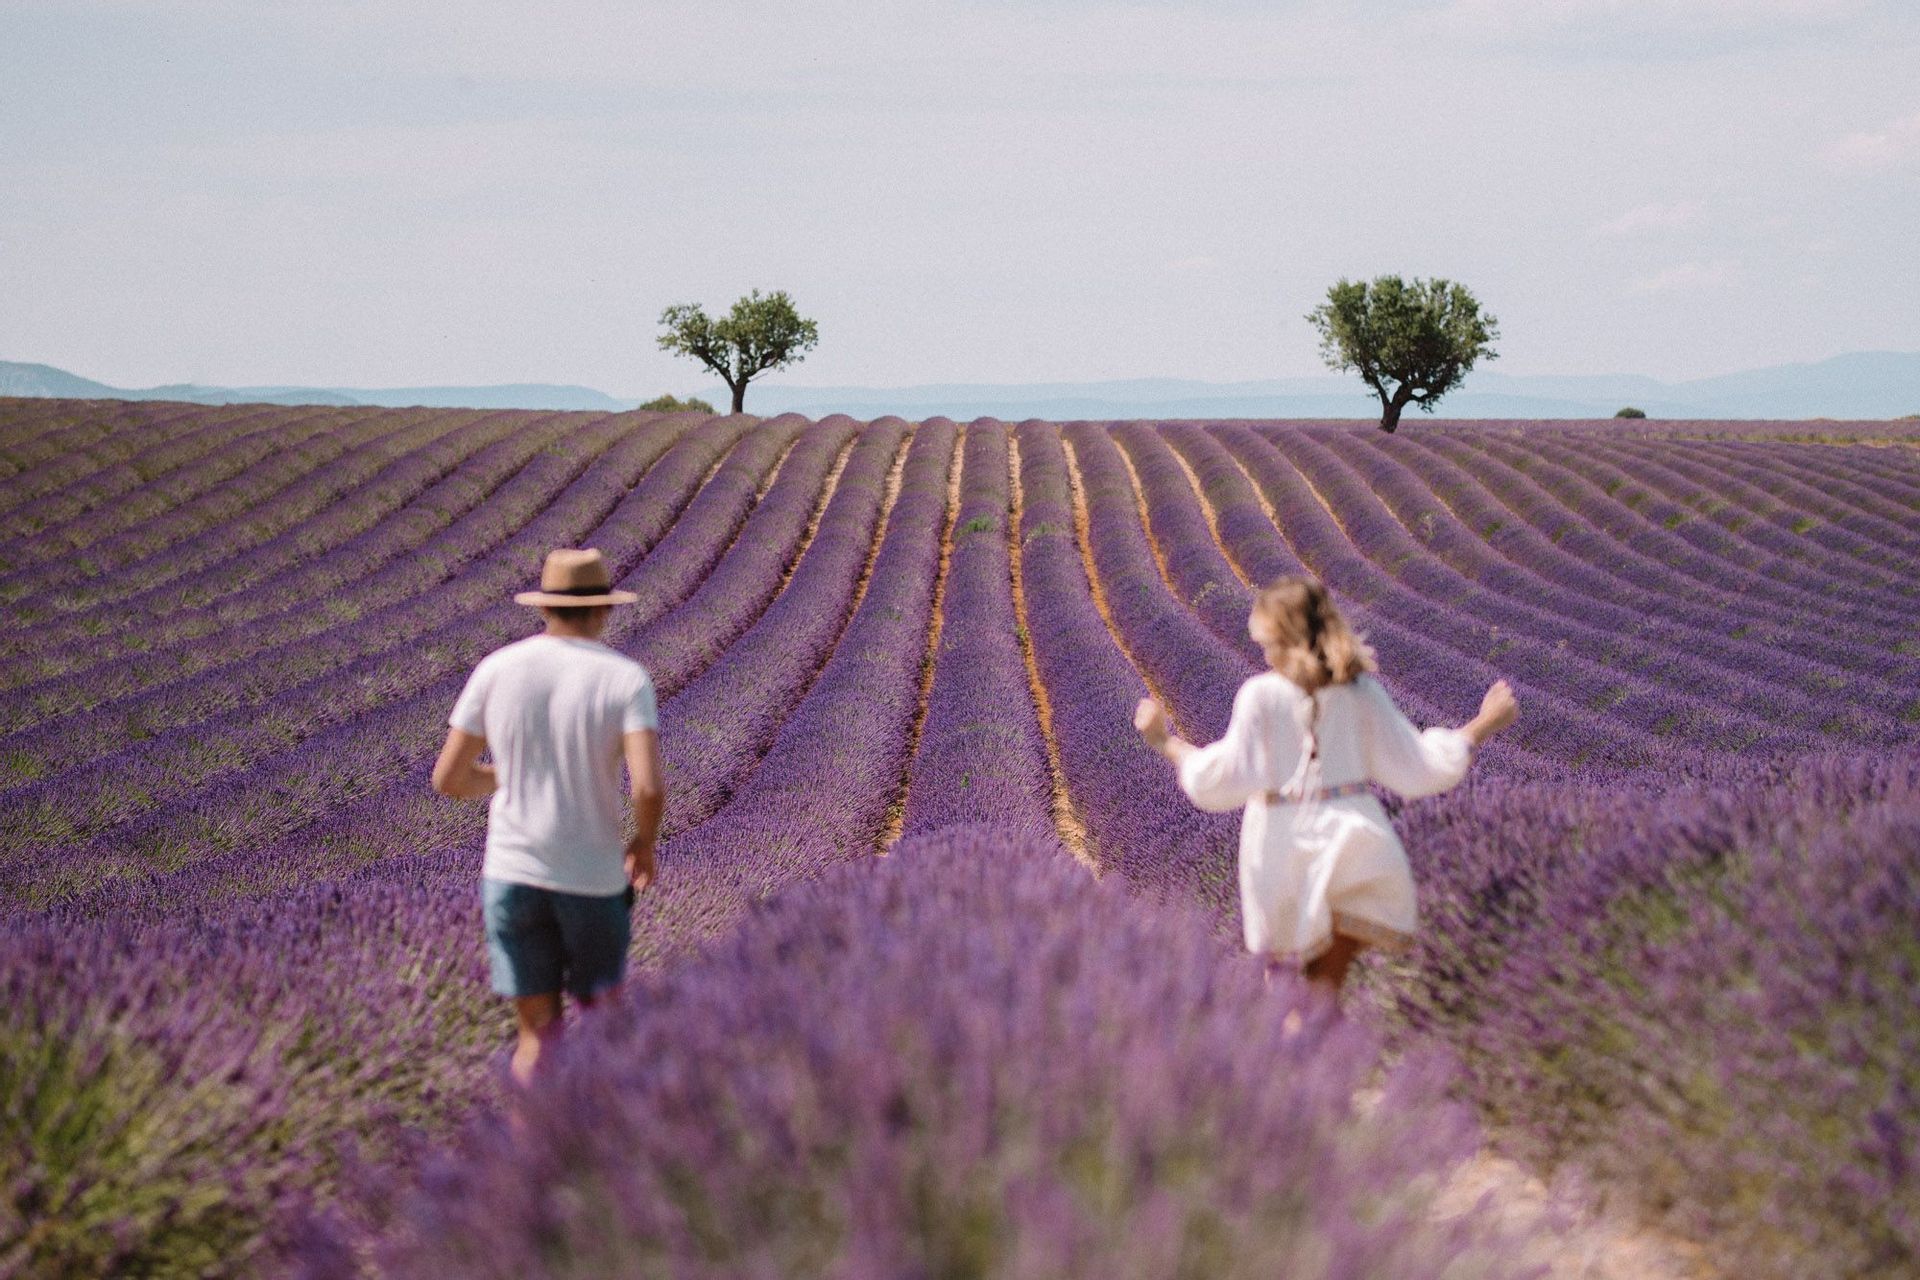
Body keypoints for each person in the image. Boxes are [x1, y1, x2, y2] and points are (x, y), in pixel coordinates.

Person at [1133, 575, 1516, 1006]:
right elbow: (1420, 769)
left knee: (1296, 1003)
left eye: (1266, 641)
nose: (1263, 652)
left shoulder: (1261, 696)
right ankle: (1321, 1063)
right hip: (1353, 854)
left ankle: (1303, 1065)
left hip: (1284, 860)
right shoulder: (1360, 692)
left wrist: (1166, 743)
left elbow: (1218, 782)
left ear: (1286, 638)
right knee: (1319, 999)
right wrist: (1483, 724)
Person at [432, 548, 664, 1088]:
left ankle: (528, 1149)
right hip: (591, 879)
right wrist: (644, 843)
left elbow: (449, 779)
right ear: (603, 610)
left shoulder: (497, 669)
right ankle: (591, 1152)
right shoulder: (625, 679)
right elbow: (648, 785)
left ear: (545, 608)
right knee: (603, 1026)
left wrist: (511, 773)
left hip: (512, 876)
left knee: (536, 1036)